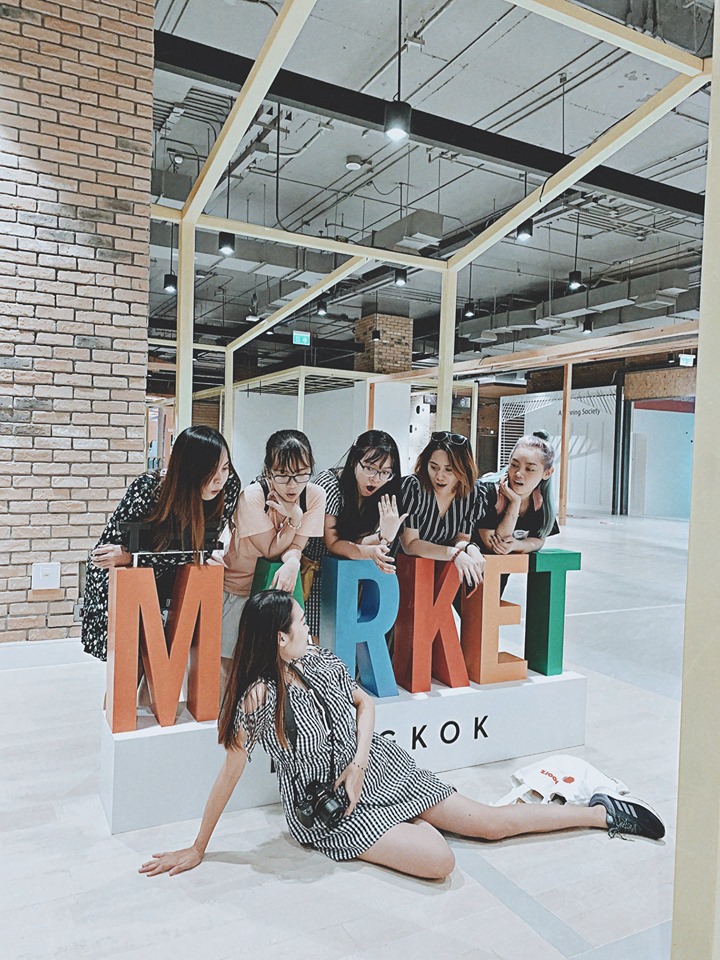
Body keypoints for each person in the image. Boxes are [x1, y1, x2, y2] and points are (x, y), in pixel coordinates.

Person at [139, 590, 665, 882]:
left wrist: (359, 765)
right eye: (301, 623)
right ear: (280, 639)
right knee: (439, 860)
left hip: (379, 769)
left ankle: (601, 813)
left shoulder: (317, 660)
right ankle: (406, 821)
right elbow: (229, 775)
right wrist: (199, 847)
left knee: (489, 823)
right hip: (332, 811)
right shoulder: (258, 699)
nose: (309, 628)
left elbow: (365, 704)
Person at [81, 426, 240, 662]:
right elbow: (105, 554)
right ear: (189, 470)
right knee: (130, 663)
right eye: (210, 470)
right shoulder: (149, 488)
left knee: (170, 661)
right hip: (135, 582)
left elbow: (200, 549)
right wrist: (133, 557)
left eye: (225, 468)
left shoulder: (229, 486)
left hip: (178, 577)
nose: (220, 478)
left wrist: (133, 556)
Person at [221, 430, 326, 673]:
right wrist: (294, 519)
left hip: (276, 590)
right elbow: (271, 550)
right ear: (268, 470)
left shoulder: (314, 496)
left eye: (301, 474)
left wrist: (293, 563)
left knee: (278, 665)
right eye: (283, 475)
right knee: (229, 663)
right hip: (238, 588)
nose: (292, 485)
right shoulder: (253, 497)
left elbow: (295, 546)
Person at [302, 430, 406, 639]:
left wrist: (384, 536)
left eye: (385, 472)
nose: (376, 478)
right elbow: (333, 543)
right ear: (354, 461)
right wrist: (372, 551)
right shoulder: (329, 485)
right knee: (314, 642)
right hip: (312, 572)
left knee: (342, 643)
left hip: (345, 576)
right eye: (369, 468)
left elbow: (357, 541)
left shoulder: (383, 494)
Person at [400, 432, 485, 589]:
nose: (439, 476)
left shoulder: (472, 493)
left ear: (463, 469)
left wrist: (469, 547)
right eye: (434, 467)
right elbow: (409, 544)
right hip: (401, 572)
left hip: (437, 577)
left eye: (449, 470)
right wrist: (453, 554)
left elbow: (461, 538)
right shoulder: (414, 487)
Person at [475, 430, 559, 557]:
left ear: (547, 473)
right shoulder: (486, 493)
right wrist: (515, 503)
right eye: (514, 465)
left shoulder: (539, 502)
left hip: (505, 568)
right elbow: (496, 546)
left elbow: (539, 539)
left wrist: (517, 545)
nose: (518, 473)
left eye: (530, 469)